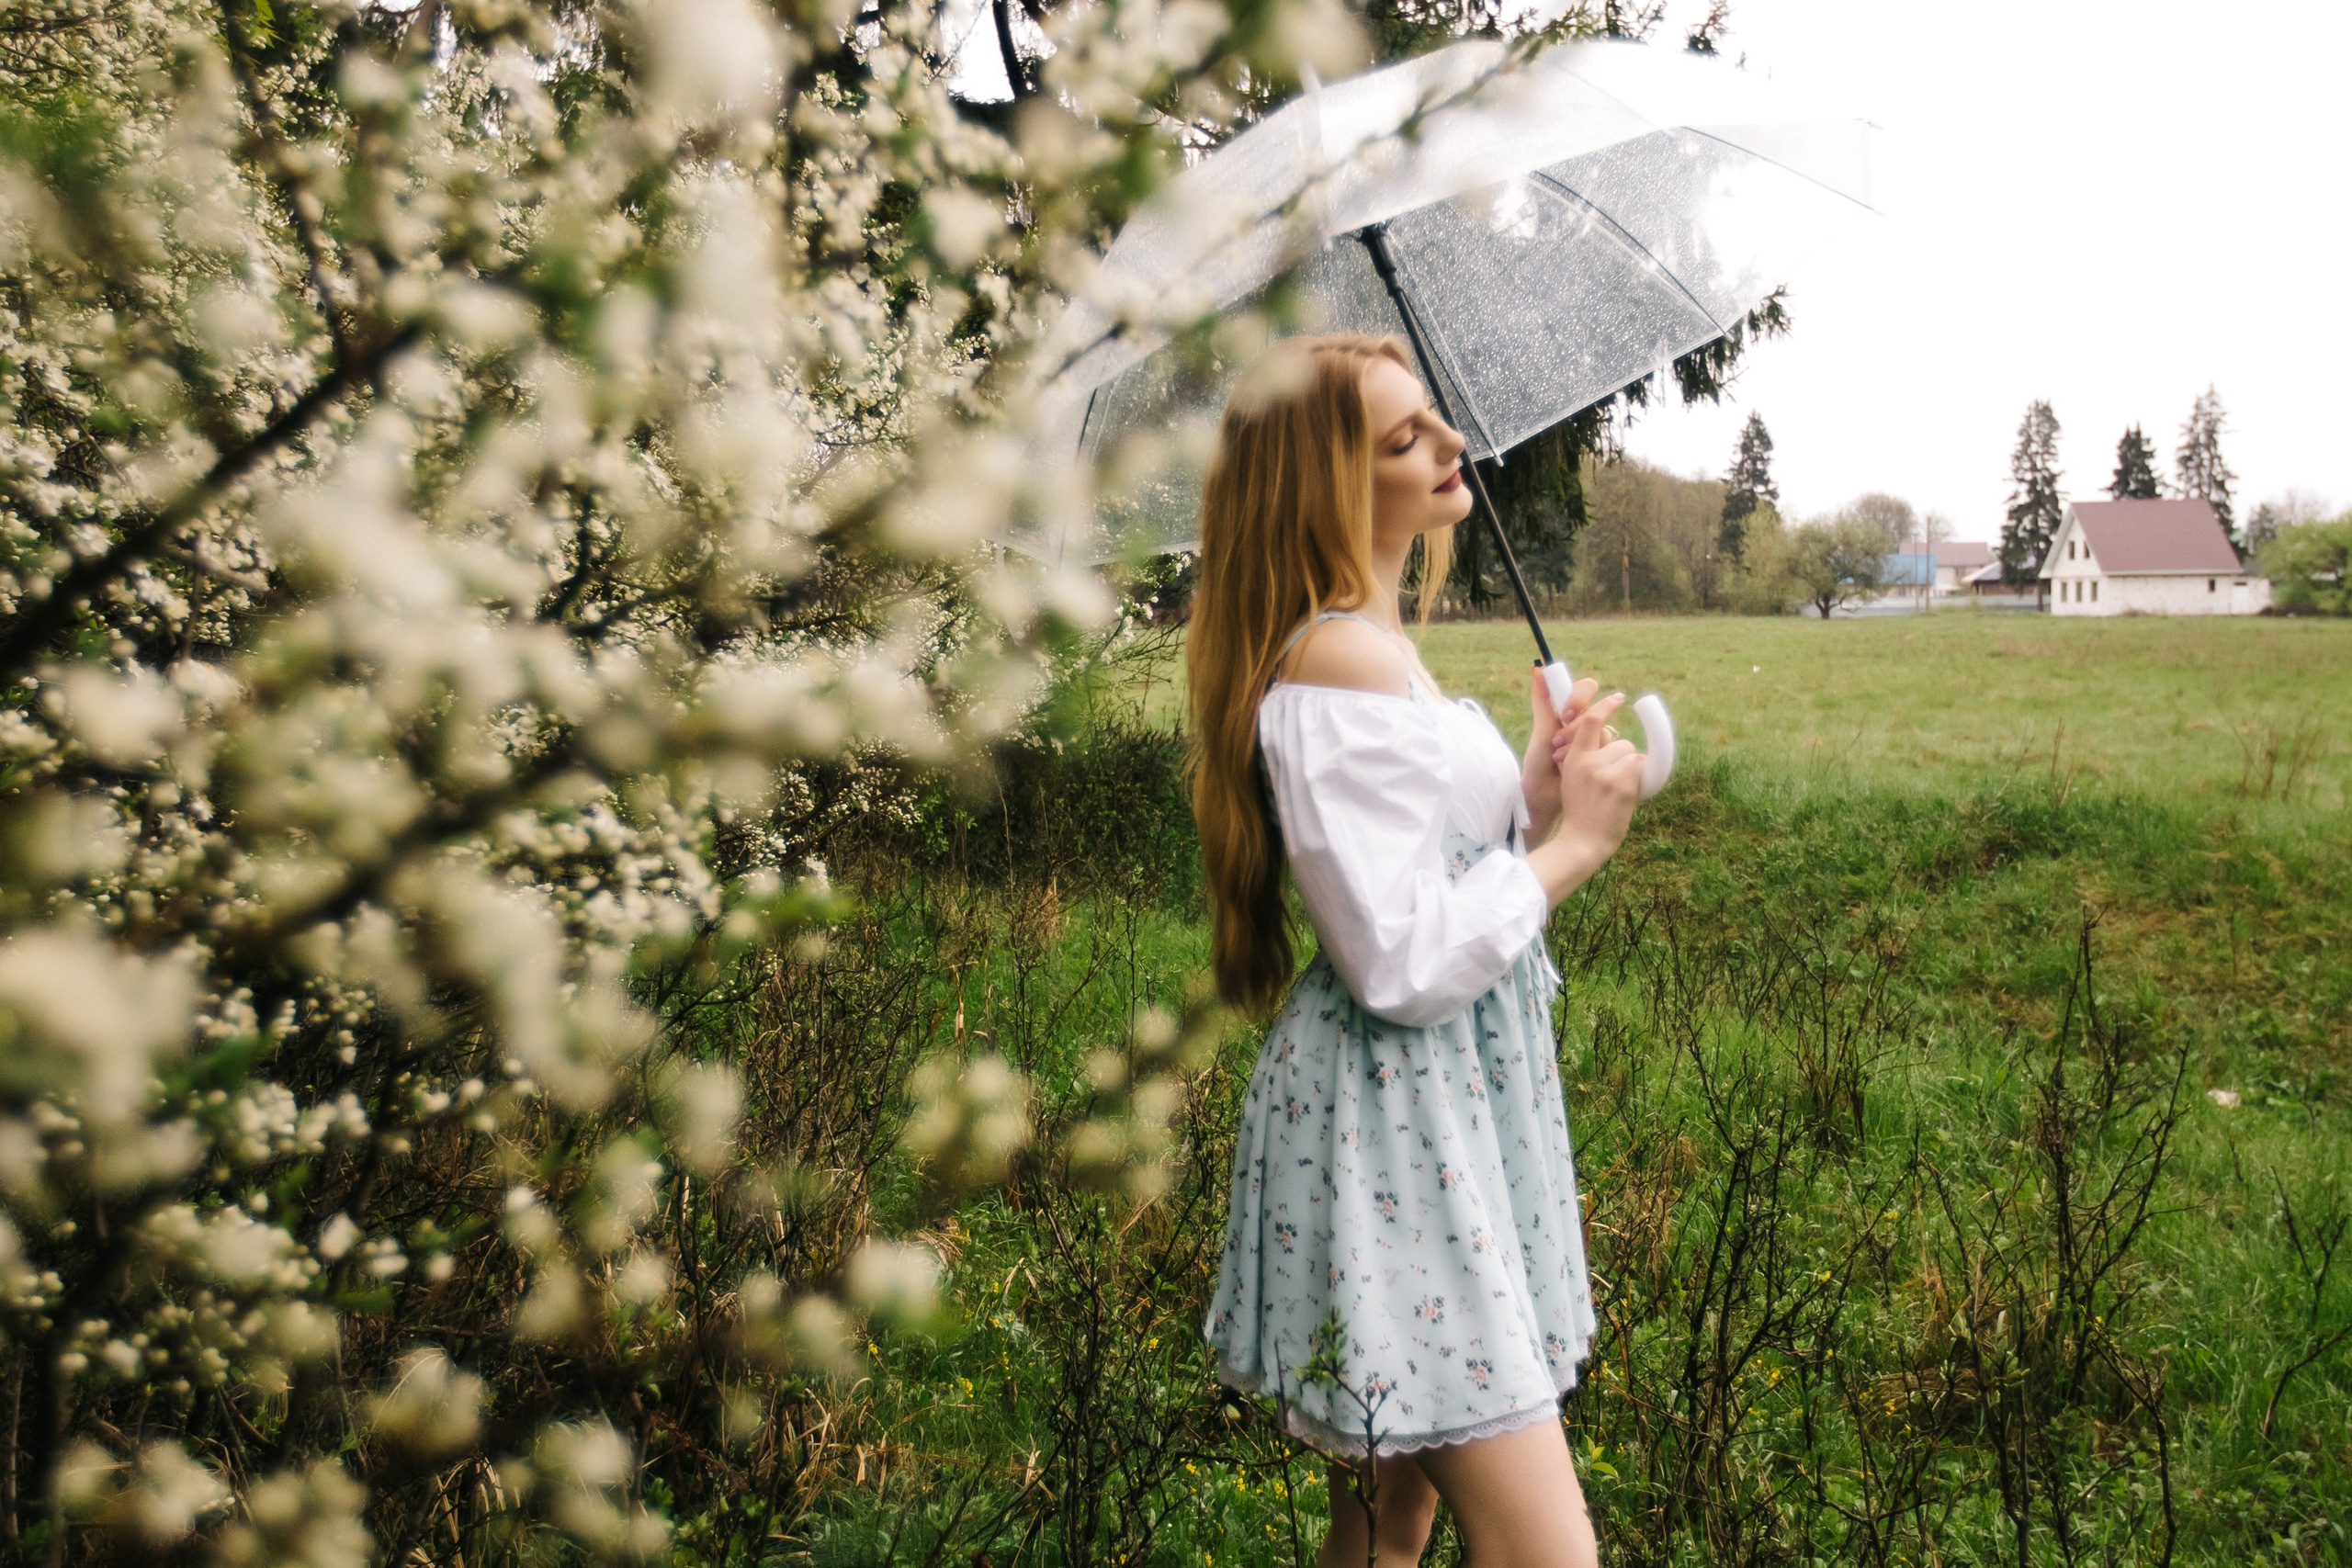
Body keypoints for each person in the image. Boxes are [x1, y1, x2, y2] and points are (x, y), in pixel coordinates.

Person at [1188, 333, 1646, 1568]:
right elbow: (1396, 958)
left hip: (1437, 1103)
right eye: (1405, 438)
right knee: (1549, 1555)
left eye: (1435, 419)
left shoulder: (1378, 652)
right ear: (1327, 484)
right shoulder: (1338, 657)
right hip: (1393, 1118)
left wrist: (1534, 800)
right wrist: (1576, 849)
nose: (1452, 445)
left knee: (1395, 1526)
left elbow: (1426, 871)